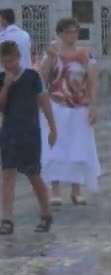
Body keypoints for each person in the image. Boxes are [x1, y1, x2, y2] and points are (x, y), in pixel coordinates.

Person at [38, 17, 101, 206]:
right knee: (55, 147)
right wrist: (49, 58)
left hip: (79, 106)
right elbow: (42, 76)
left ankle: (76, 190)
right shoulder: (52, 52)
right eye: (68, 31)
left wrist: (94, 105)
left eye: (75, 31)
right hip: (56, 104)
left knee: (79, 147)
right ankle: (55, 190)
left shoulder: (85, 54)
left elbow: (92, 81)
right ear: (60, 33)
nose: (72, 35)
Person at [0, 41, 57, 235]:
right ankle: (7, 219)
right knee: (7, 174)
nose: (9, 65)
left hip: (29, 132)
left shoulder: (33, 76)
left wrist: (53, 127)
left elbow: (44, 102)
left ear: (18, 57)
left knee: (33, 174)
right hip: (9, 131)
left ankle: (46, 214)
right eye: (4, 61)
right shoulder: (2, 78)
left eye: (11, 60)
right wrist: (6, 86)